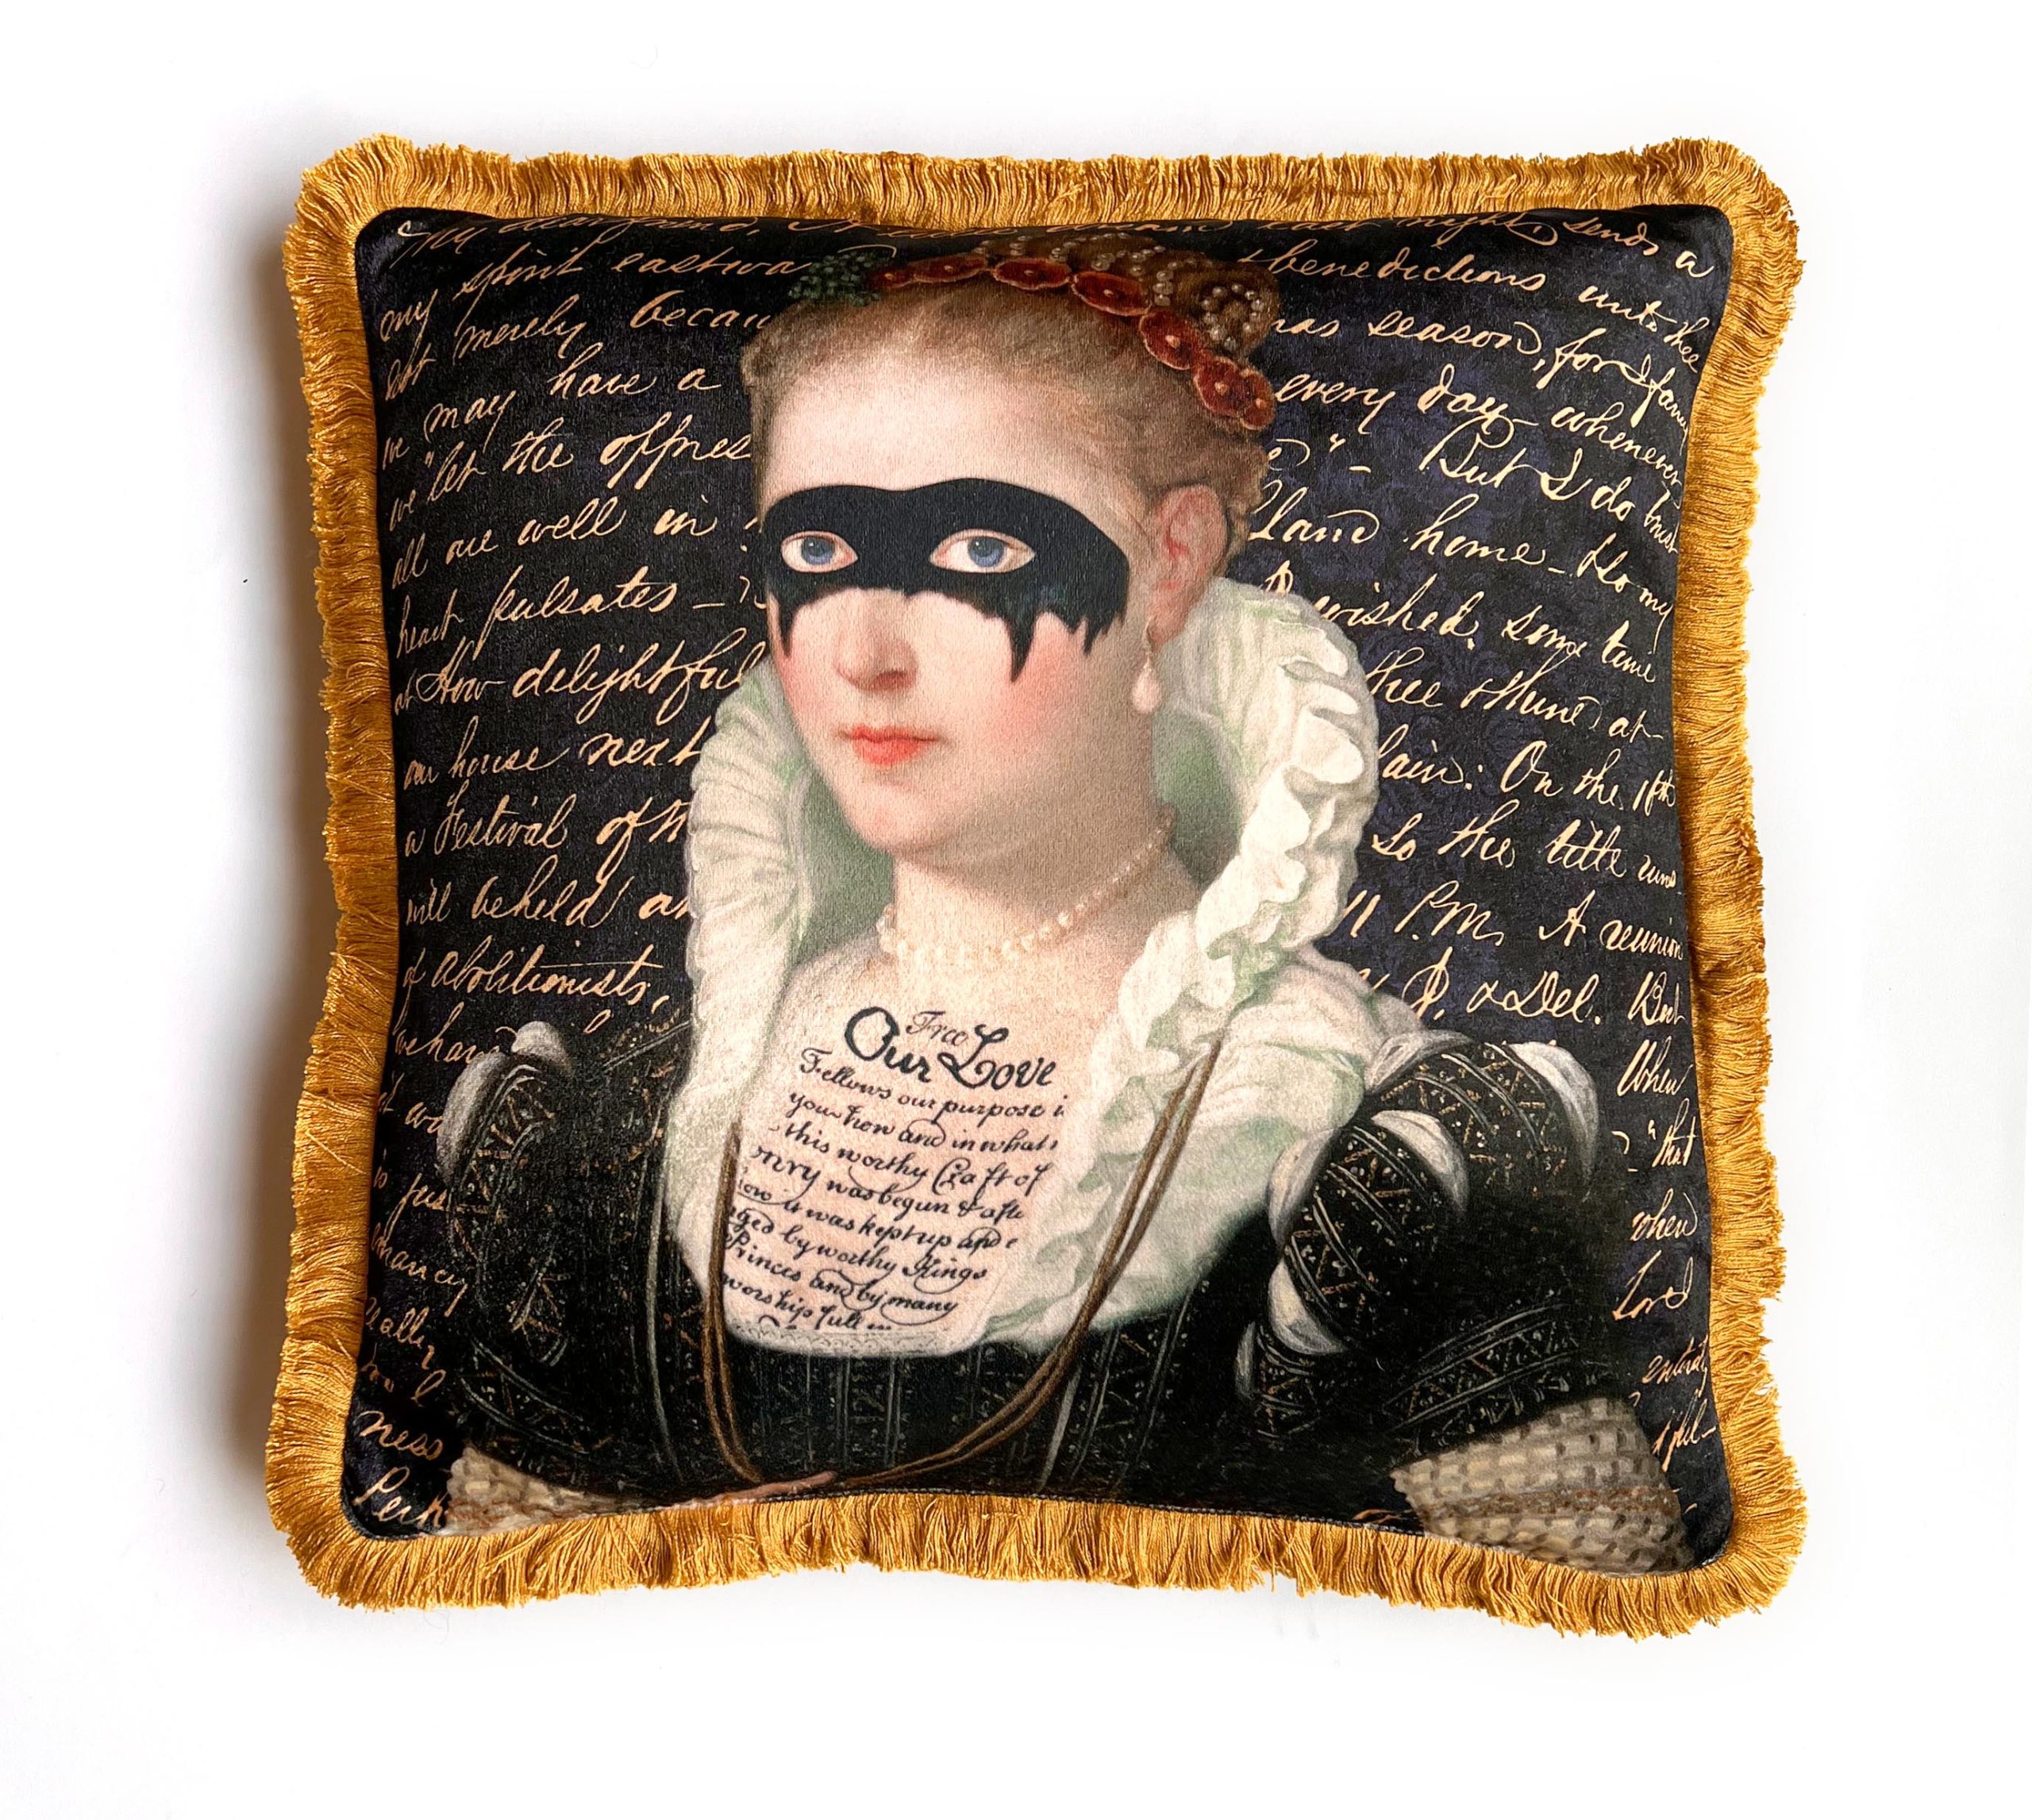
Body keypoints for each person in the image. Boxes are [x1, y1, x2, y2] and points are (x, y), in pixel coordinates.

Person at [435, 236, 1691, 1573]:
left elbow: (1594, 1597)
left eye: (978, 547)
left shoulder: (1351, 1128)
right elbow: (493, 1609)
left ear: (1170, 567)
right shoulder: (637, 1127)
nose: (866, 651)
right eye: (817, 546)